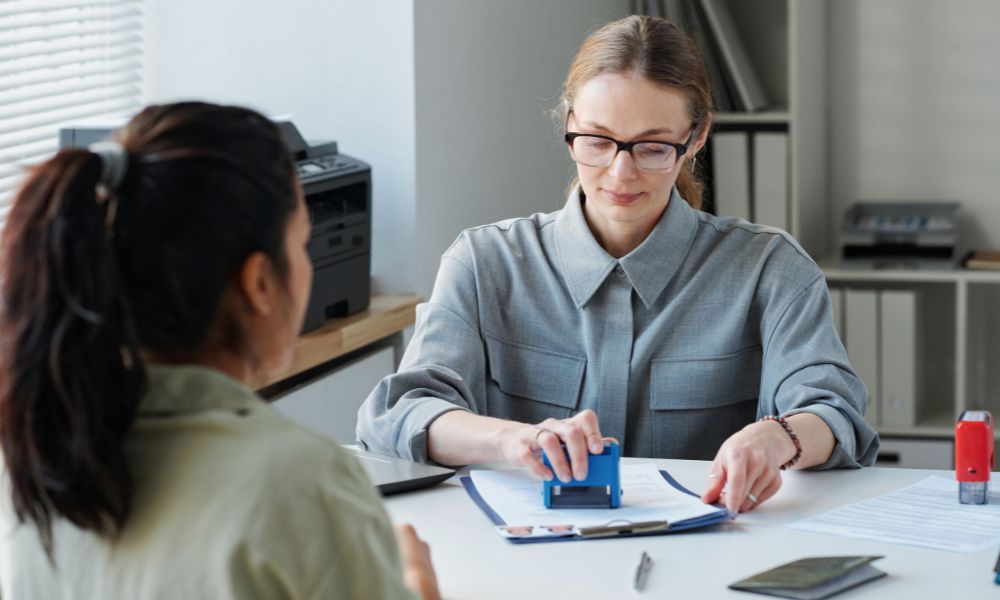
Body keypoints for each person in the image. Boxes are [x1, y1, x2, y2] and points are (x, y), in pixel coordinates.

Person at [357, 15, 878, 514]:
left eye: (653, 147)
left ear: (695, 139)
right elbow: (394, 416)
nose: (620, 172)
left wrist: (777, 438)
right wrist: (517, 440)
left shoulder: (771, 268)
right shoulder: (484, 262)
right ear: (569, 126)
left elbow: (836, 414)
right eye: (598, 141)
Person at [0, 102, 439, 600]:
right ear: (258, 283)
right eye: (301, 243)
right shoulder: (295, 481)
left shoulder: (37, 455)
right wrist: (417, 581)